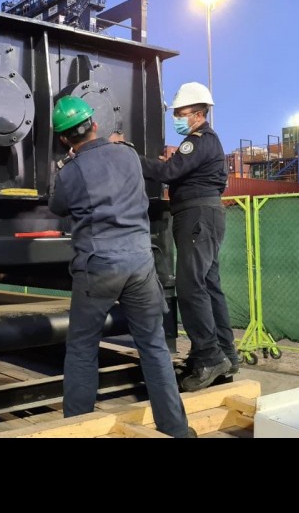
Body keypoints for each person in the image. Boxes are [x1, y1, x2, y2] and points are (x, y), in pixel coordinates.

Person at [48, 95, 192, 437]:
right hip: (141, 262)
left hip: (98, 266)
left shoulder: (70, 172)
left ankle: (79, 430)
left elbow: (57, 207)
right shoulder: (127, 154)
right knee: (153, 346)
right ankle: (176, 429)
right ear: (95, 124)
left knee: (82, 348)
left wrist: (66, 166)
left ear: (64, 139)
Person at [113, 82, 238, 392]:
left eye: (181, 113)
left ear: (198, 114)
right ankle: (225, 356)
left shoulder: (198, 141)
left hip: (196, 217)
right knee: (209, 286)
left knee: (191, 287)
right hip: (206, 217)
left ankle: (209, 358)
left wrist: (127, 152)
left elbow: (167, 173)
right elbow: (179, 170)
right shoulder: (207, 142)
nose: (177, 118)